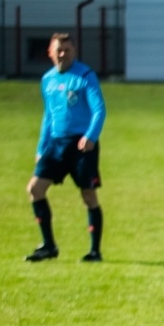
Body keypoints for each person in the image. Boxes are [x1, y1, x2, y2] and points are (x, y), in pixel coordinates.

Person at [26, 33, 106, 262]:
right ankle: (49, 247)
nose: (62, 54)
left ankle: (94, 252)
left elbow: (99, 109)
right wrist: (41, 147)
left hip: (82, 146)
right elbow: (48, 117)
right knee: (35, 189)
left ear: (74, 52)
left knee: (88, 195)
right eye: (58, 50)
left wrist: (90, 136)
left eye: (67, 50)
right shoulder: (47, 80)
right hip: (56, 145)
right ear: (50, 53)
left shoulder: (85, 76)